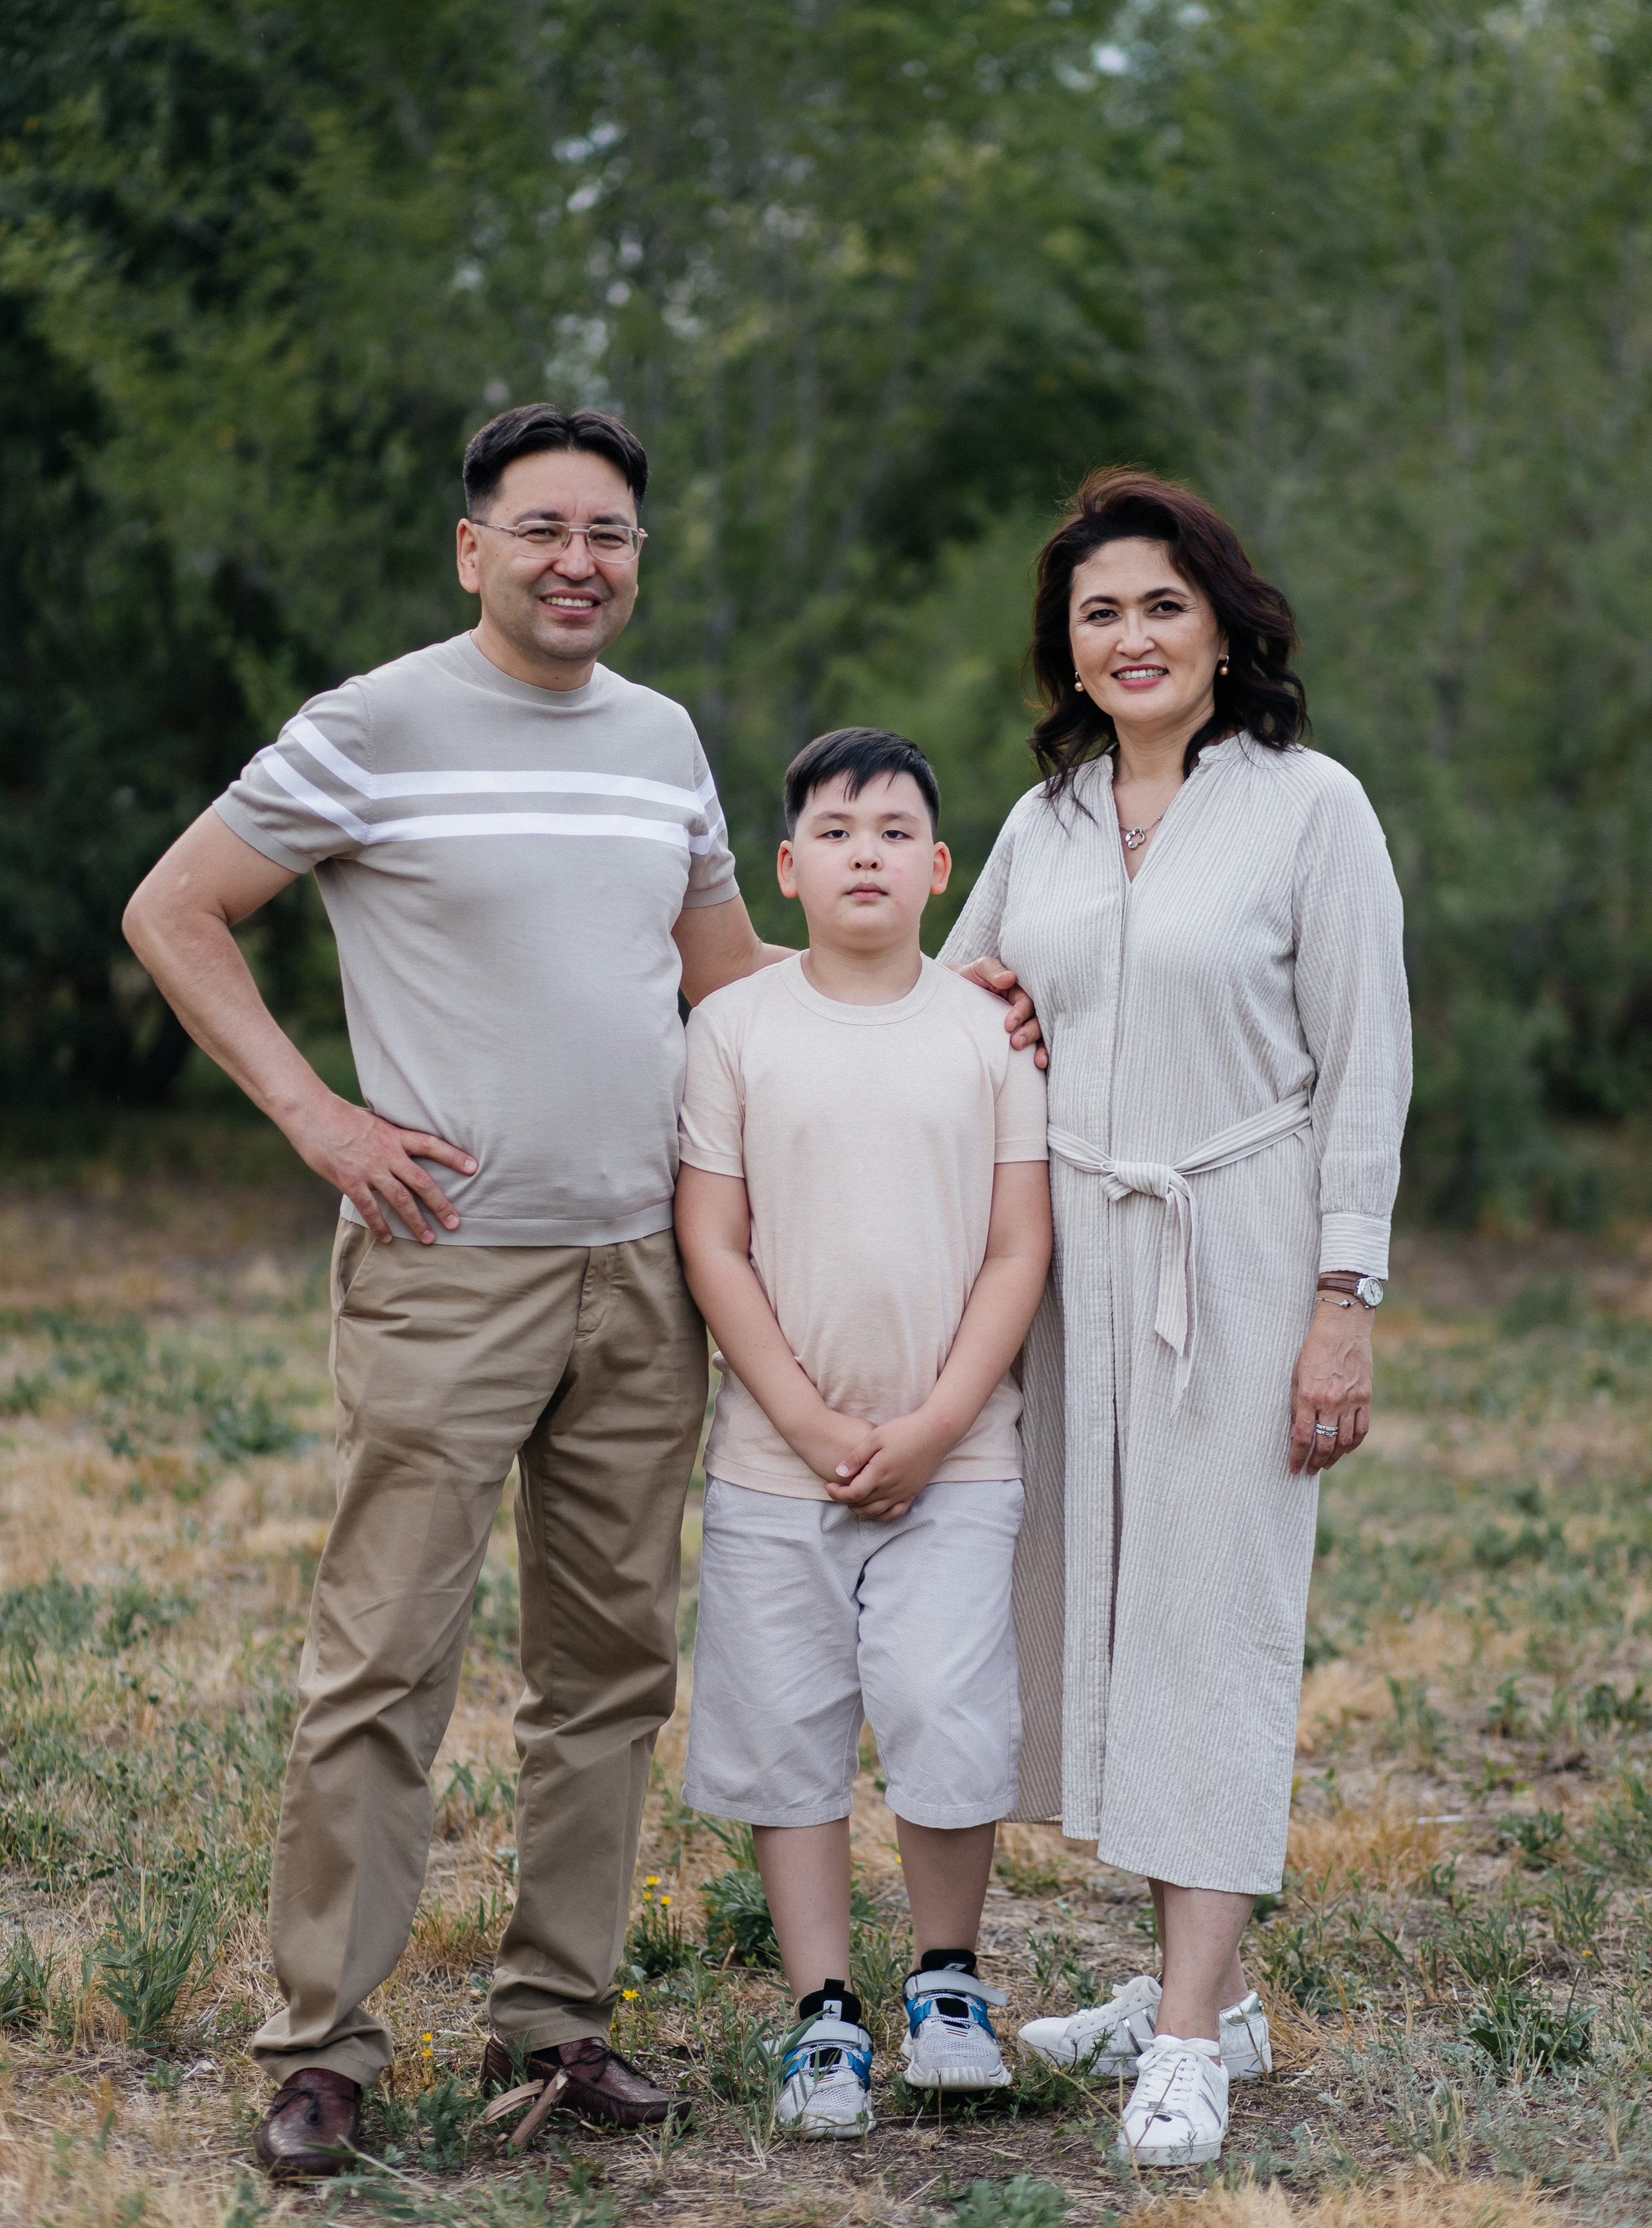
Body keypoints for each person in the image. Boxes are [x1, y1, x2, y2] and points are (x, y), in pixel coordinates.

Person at [122, 406, 1040, 2179]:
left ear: (638, 558)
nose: (577, 562)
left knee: (607, 1669)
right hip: (450, 1265)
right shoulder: (370, 727)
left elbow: (738, 980)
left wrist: (939, 991)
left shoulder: (661, 743)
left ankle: (559, 2022)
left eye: (609, 534)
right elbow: (178, 909)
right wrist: (318, 1118)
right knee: (385, 1660)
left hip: (647, 1274)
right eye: (540, 529)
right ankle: (324, 2046)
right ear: (472, 548)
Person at [939, 471, 1411, 2169]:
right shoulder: (1043, 822)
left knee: (1214, 1616)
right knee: (1115, 1618)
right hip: (1071, 1249)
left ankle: (1195, 2040)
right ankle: (1193, 1979)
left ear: (1222, 625)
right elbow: (970, 1001)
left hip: (1243, 1241)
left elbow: (1367, 1063)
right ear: (1065, 649)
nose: (1129, 636)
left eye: (1159, 604)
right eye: (1098, 613)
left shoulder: (1311, 808)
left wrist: (1342, 1301)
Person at [673, 728, 1052, 2138]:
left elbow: (1018, 1250)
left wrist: (936, 1422)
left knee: (949, 1714)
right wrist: (809, 1416)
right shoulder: (735, 1031)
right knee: (787, 1733)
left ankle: (946, 1984)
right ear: (785, 868)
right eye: (834, 833)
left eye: (895, 833)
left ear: (939, 868)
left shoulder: (986, 1033)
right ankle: (822, 2012)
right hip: (778, 1459)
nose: (865, 854)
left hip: (961, 1458)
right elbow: (714, 1244)